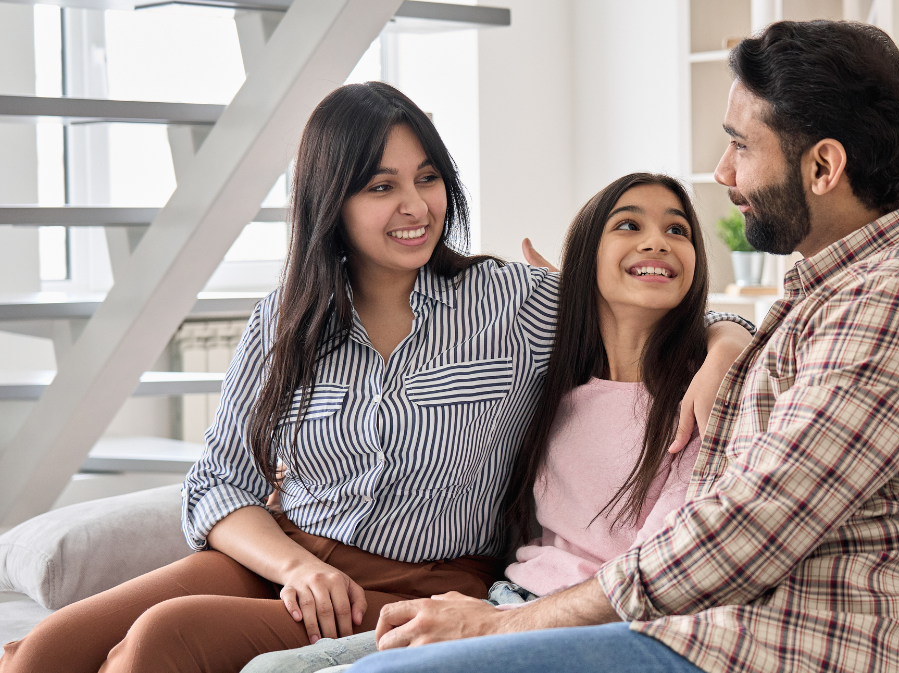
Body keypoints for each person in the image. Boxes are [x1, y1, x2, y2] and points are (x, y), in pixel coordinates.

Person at [0, 85, 751, 673]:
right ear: (333, 201)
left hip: (417, 580)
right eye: (381, 185)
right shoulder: (284, 318)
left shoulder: (514, 300)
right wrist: (294, 565)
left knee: (167, 637)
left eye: (426, 178)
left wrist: (722, 347)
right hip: (283, 554)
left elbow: (661, 301)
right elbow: (219, 482)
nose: (415, 206)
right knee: (45, 649)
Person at [341, 19, 899, 673]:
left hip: (789, 649)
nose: (722, 173)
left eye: (740, 147)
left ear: (823, 166)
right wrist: (697, 330)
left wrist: (502, 622)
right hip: (709, 635)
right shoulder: (834, 297)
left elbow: (753, 525)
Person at [243, 172, 723, 673]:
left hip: (586, 628)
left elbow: (664, 575)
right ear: (583, 263)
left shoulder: (704, 400)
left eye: (678, 231)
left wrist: (728, 341)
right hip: (505, 601)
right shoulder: (552, 381)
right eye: (628, 224)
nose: (657, 242)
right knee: (272, 670)